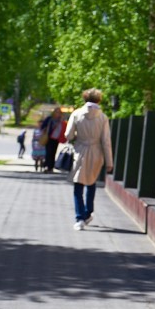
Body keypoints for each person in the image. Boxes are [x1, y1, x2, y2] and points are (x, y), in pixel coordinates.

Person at [64, 88, 113, 231]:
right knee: (91, 182)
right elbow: (106, 141)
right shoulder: (103, 117)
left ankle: (80, 218)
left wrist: (77, 136)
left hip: (80, 152)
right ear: (99, 100)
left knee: (78, 184)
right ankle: (88, 212)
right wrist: (110, 162)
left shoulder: (77, 114)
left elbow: (68, 135)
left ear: (85, 99)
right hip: (97, 153)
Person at [41, 107, 64, 173]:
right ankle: (46, 166)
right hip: (48, 137)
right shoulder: (49, 119)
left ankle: (50, 167)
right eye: (57, 112)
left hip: (56, 139)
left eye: (59, 112)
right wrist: (44, 130)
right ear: (54, 112)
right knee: (48, 152)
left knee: (53, 152)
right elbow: (43, 126)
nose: (58, 113)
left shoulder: (61, 120)